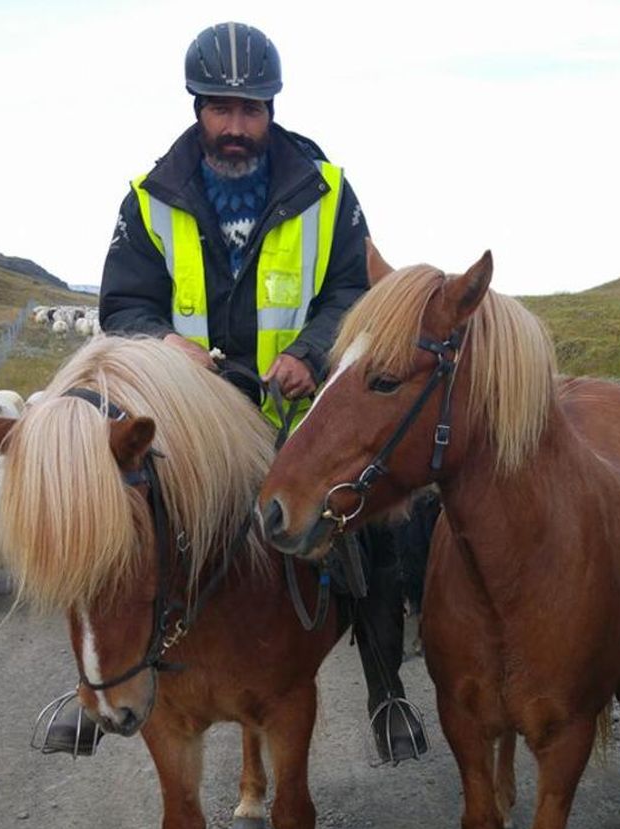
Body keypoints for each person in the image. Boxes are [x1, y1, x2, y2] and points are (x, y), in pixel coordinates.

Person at [39, 21, 427, 765]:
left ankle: (386, 690)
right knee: (104, 512)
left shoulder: (329, 193)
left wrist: (312, 354)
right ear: (198, 110)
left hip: (298, 411)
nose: (236, 127)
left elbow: (353, 289)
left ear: (273, 111)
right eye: (222, 109)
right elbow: (124, 303)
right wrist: (161, 342)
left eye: (251, 111)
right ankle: (92, 689)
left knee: (376, 529)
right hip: (189, 419)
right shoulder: (147, 201)